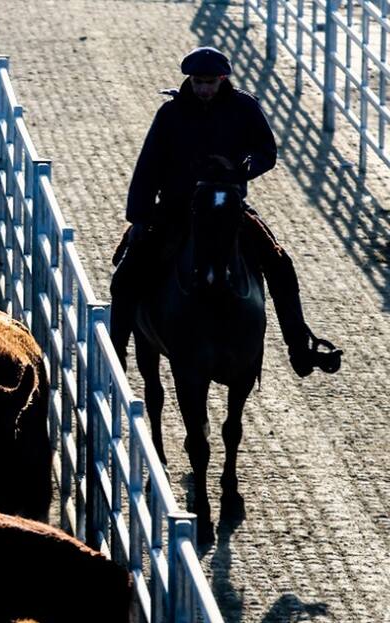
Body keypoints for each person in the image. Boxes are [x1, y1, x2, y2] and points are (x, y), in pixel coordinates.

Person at [110, 45, 342, 377]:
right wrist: (140, 218)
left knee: (279, 263)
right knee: (126, 273)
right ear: (190, 79)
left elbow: (266, 151)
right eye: (198, 82)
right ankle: (115, 355)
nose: (203, 89)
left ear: (222, 80)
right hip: (176, 208)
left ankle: (299, 348)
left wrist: (245, 166)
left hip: (228, 206)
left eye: (210, 82)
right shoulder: (170, 114)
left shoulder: (244, 108)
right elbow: (148, 166)